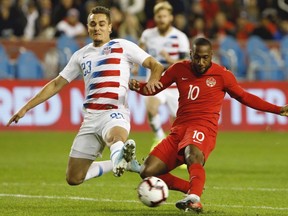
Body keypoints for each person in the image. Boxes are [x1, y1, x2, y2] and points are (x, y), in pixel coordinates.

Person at [7, 6, 164, 186]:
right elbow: (57, 83)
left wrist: (152, 80)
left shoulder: (123, 46)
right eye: (93, 24)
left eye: (102, 24)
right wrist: (26, 107)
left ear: (110, 27)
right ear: (88, 28)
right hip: (90, 119)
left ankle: (120, 154)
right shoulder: (80, 56)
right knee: (74, 178)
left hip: (114, 111)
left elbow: (155, 65)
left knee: (115, 138)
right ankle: (122, 162)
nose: (97, 28)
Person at [129, 37, 288, 213]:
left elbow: (245, 97)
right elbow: (156, 88)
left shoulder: (222, 75)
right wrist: (139, 87)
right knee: (147, 171)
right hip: (179, 129)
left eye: (205, 57)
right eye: (197, 57)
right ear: (191, 54)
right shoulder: (178, 68)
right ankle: (191, 188)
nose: (201, 62)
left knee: (192, 154)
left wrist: (278, 109)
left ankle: (194, 199)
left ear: (212, 55)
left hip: (204, 128)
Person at [137, 1, 190, 147]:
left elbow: (186, 62)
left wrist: (170, 59)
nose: (161, 19)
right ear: (155, 18)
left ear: (171, 18)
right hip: (155, 80)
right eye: (159, 16)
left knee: (177, 121)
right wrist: (135, 64)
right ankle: (159, 138)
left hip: (175, 84)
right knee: (151, 108)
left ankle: (177, 151)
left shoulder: (180, 37)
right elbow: (138, 51)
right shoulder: (148, 34)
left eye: (164, 16)